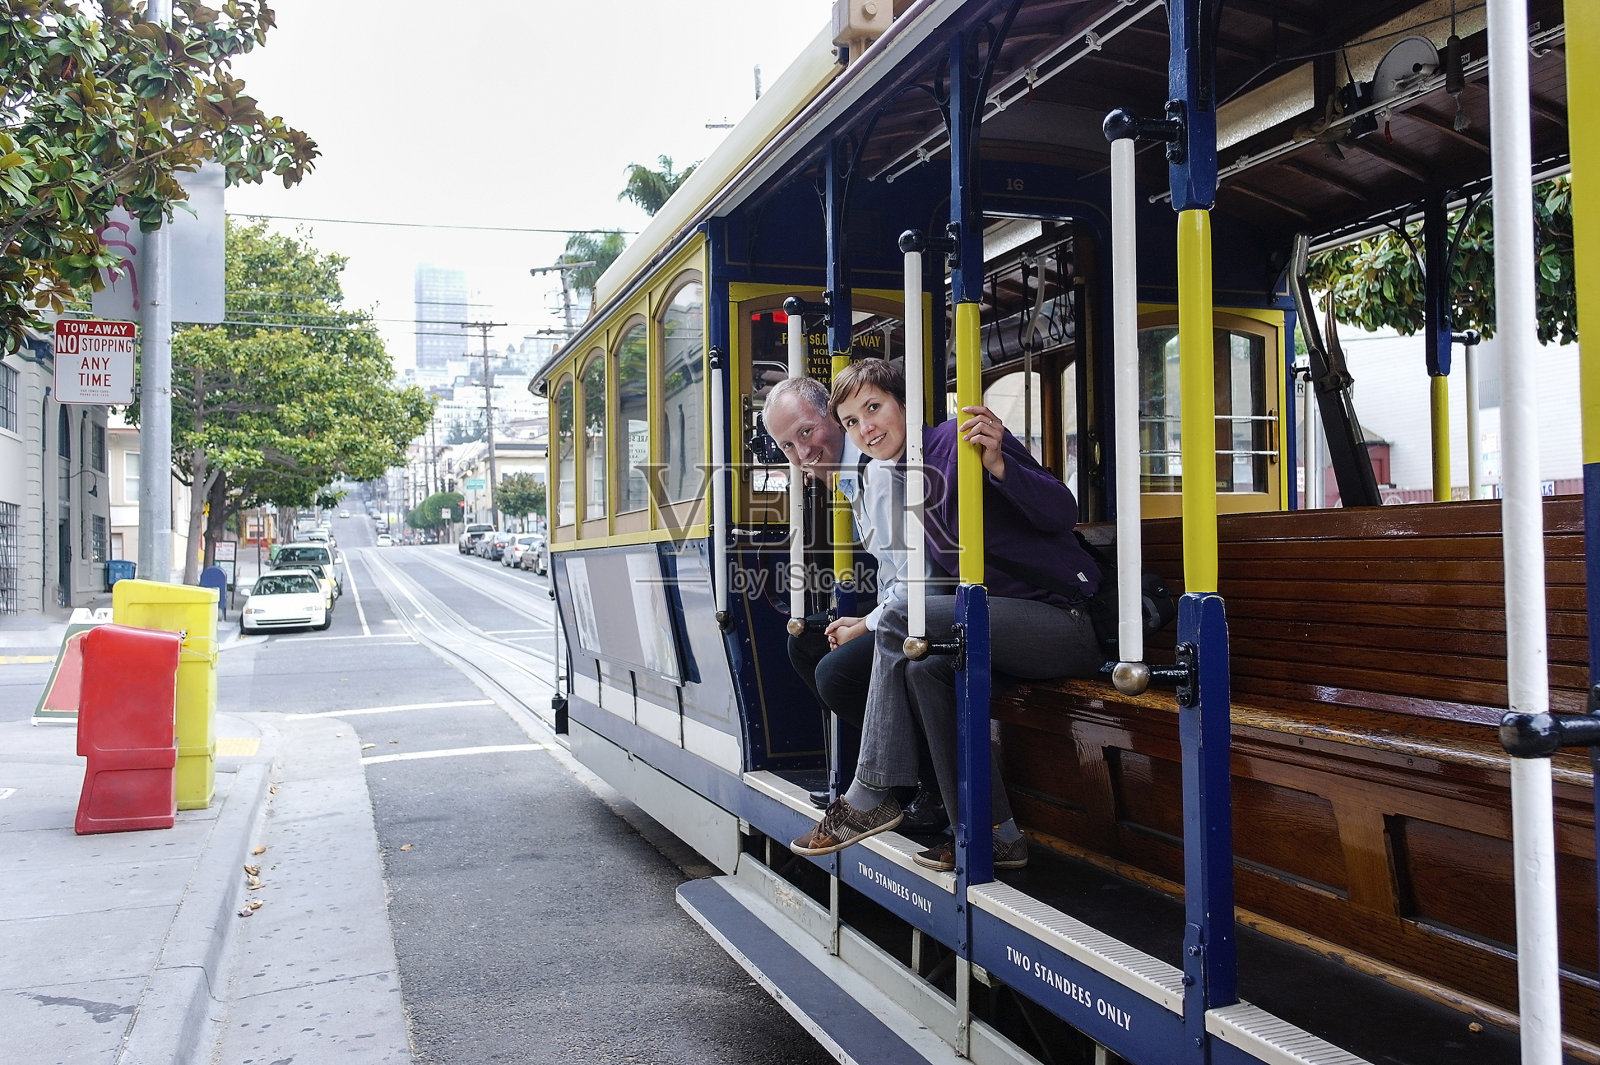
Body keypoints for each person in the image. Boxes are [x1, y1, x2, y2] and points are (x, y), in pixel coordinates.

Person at [791, 359, 1102, 870]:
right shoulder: (901, 472)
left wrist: (1000, 465)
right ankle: (995, 834)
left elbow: (1061, 511)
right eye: (851, 421)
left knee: (902, 618)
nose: (866, 427)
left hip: (1062, 619)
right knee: (927, 669)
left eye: (874, 408)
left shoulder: (961, 440)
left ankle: (871, 792)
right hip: (1002, 623)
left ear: (904, 403)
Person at [764, 375, 946, 830]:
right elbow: (894, 575)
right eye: (787, 446)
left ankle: (931, 788)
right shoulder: (852, 476)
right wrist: (863, 620)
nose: (802, 452)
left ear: (832, 417)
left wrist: (864, 625)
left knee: (836, 672)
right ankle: (900, 780)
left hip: (935, 610)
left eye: (806, 432)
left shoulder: (877, 473)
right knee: (807, 643)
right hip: (907, 606)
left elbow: (923, 582)